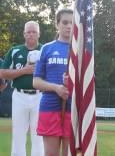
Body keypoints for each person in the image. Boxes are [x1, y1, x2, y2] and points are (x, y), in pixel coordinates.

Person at [33, 8, 73, 156]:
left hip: (72, 108)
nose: (69, 26)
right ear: (57, 24)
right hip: (50, 106)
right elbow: (36, 81)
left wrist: (72, 83)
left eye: (72, 22)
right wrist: (56, 87)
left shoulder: (80, 50)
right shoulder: (47, 48)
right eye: (65, 22)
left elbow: (90, 82)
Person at [0, 21, 44, 156]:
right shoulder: (15, 50)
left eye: (34, 32)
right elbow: (2, 72)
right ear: (24, 34)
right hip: (19, 96)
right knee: (18, 134)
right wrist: (24, 71)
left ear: (39, 34)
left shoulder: (45, 50)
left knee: (39, 135)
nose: (31, 35)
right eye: (28, 32)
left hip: (40, 96)